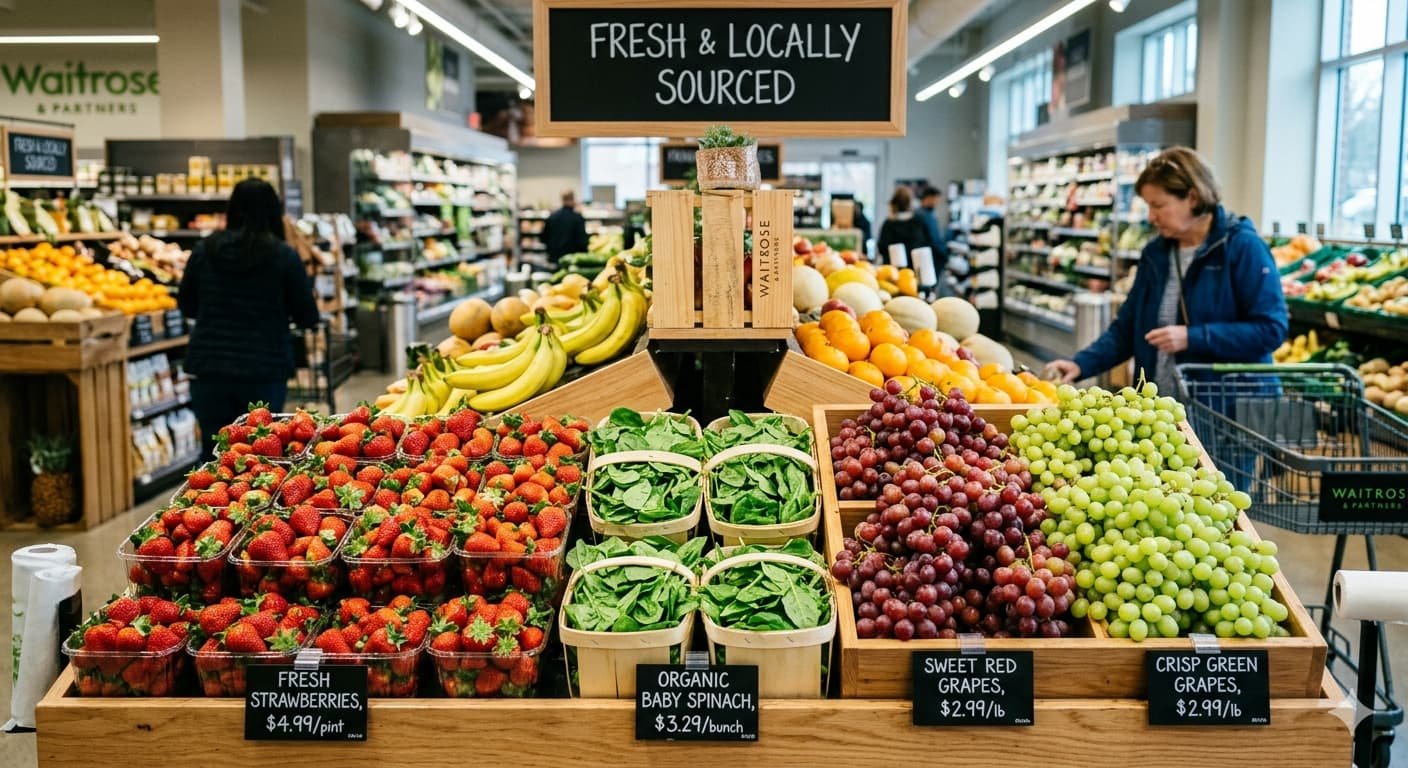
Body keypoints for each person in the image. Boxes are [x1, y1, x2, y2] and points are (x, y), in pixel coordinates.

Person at [1043, 147, 1287, 400]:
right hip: (1162, 413)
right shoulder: (1156, 254)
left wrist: (1192, 338)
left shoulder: (1242, 248)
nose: (1151, 217)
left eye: (1158, 205)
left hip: (1224, 416)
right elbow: (1127, 328)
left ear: (1192, 198)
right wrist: (1082, 364)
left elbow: (1271, 329)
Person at [179, 179, 320, 456]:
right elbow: (308, 315)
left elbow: (187, 305)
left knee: (214, 455)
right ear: (273, 212)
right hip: (263, 369)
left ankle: (207, 501)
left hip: (210, 368)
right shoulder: (282, 255)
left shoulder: (205, 250)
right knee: (260, 457)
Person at [875, 186, 934, 264]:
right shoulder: (919, 222)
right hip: (914, 267)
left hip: (892, 269)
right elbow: (925, 245)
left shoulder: (888, 223)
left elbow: (881, 247)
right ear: (911, 202)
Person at [543, 188, 589, 266]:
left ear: (562, 199)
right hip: (572, 261)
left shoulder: (552, 217)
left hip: (554, 259)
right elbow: (583, 242)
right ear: (573, 199)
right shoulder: (578, 218)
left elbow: (544, 238)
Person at [917, 186, 945, 253]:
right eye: (936, 199)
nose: (938, 202)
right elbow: (934, 240)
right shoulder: (925, 216)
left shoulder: (921, 213)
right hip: (929, 254)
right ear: (928, 198)